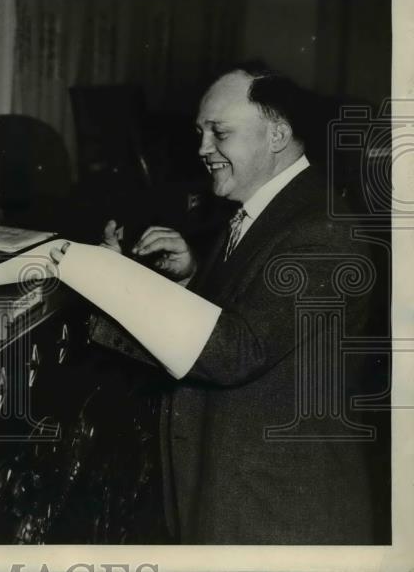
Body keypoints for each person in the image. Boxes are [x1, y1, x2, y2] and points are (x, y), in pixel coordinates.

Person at [54, 64, 379, 543]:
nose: (203, 149)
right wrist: (189, 278)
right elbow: (243, 314)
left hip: (279, 514)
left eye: (219, 133)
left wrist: (112, 283)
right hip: (234, 492)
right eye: (201, 132)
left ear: (277, 135)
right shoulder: (269, 208)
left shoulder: (322, 232)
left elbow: (233, 349)